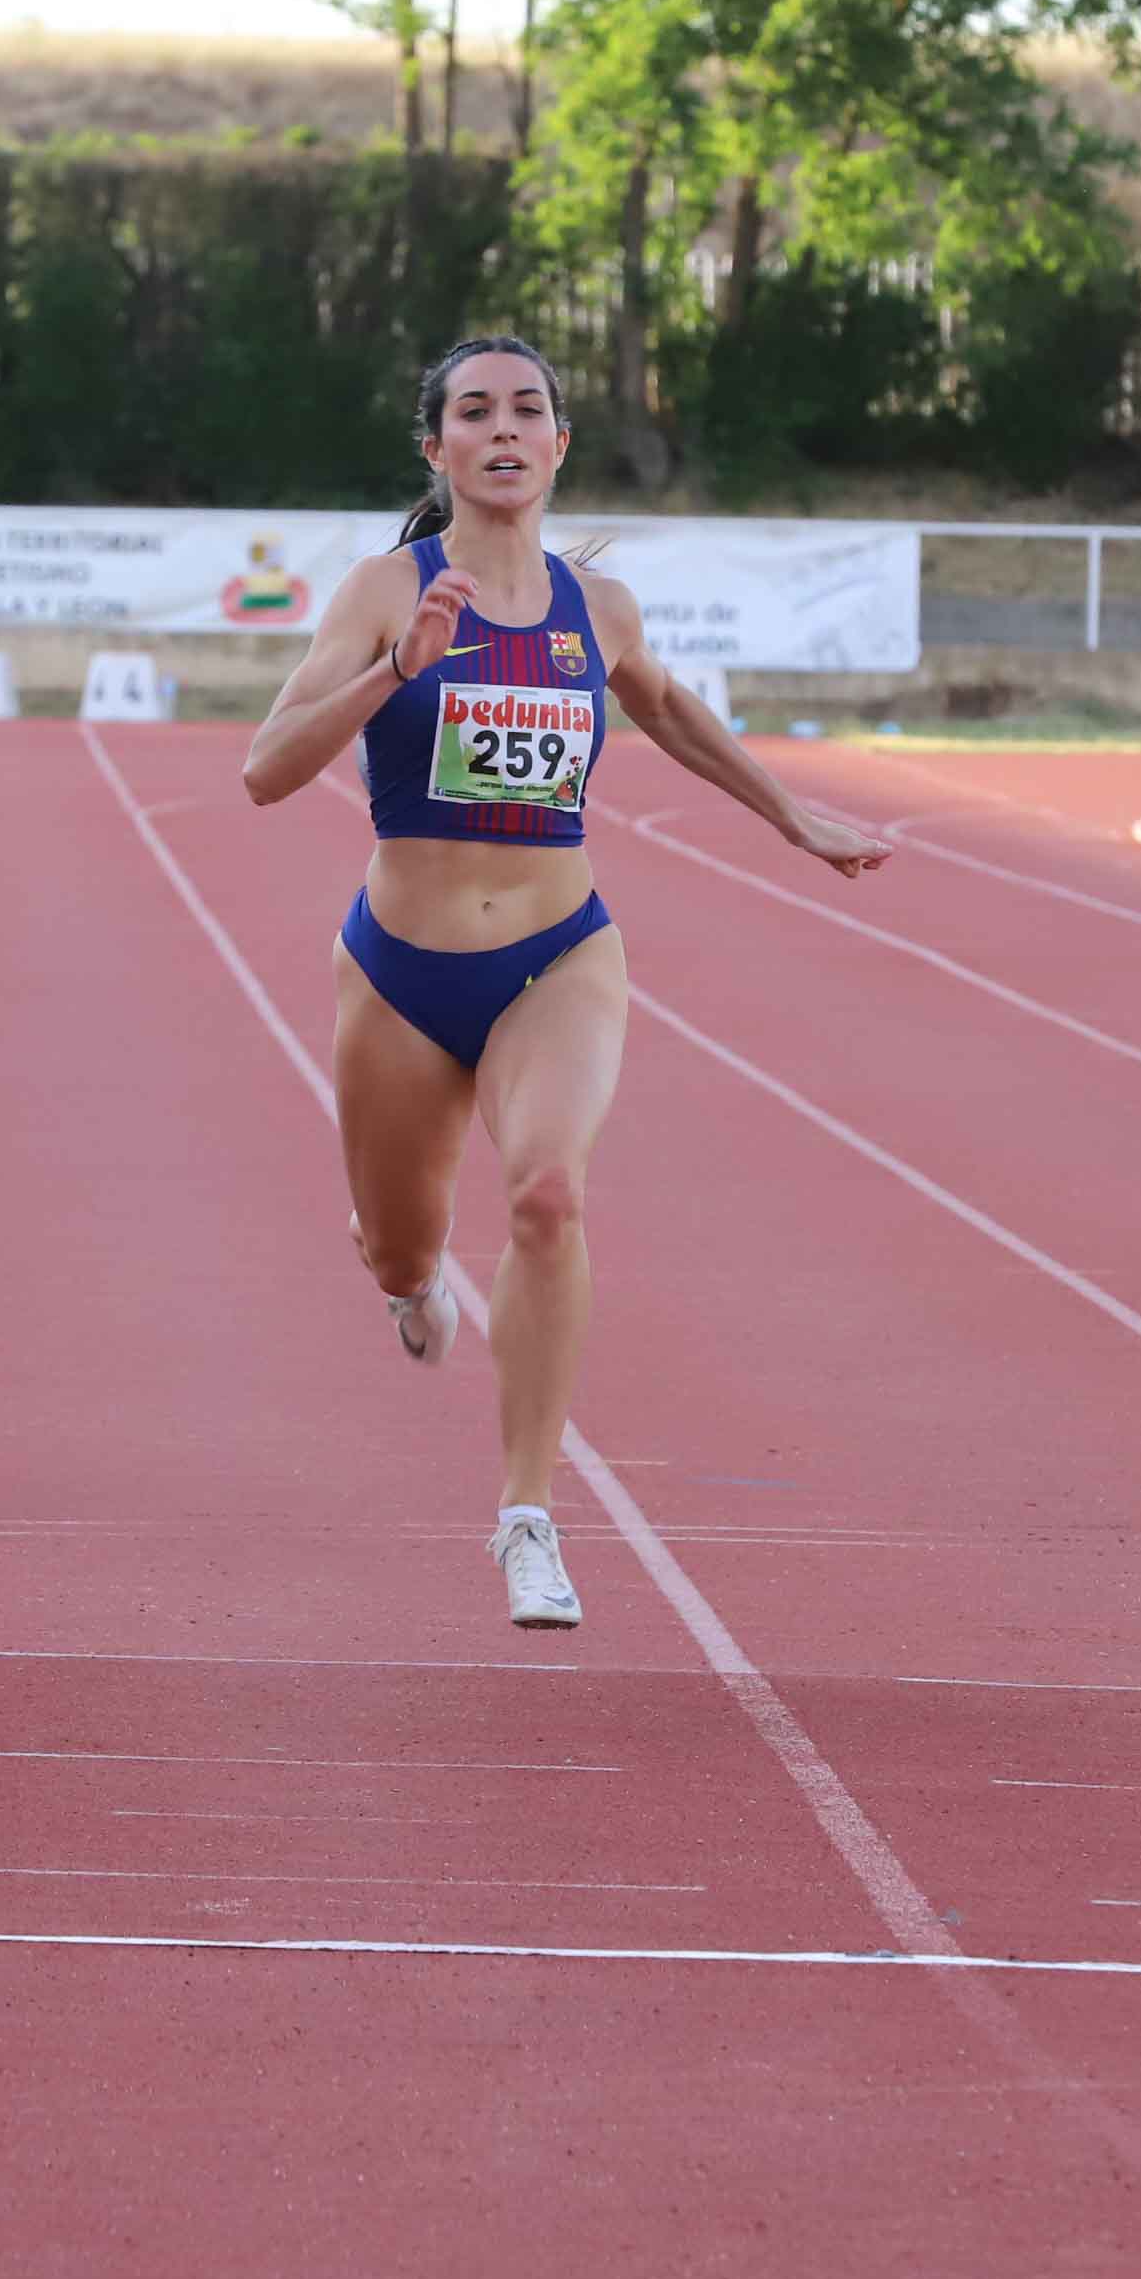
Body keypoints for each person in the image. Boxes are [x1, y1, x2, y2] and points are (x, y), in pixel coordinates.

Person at [240, 336, 892, 1629]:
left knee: (547, 1195)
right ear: (436, 449)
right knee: (398, 1243)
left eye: (527, 410)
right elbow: (265, 768)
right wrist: (396, 672)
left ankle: (526, 1518)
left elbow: (668, 709)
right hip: (402, 973)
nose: (503, 429)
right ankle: (408, 1281)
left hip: (559, 950)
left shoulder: (601, 610)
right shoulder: (385, 589)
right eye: (474, 411)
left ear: (557, 447)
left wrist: (789, 816)